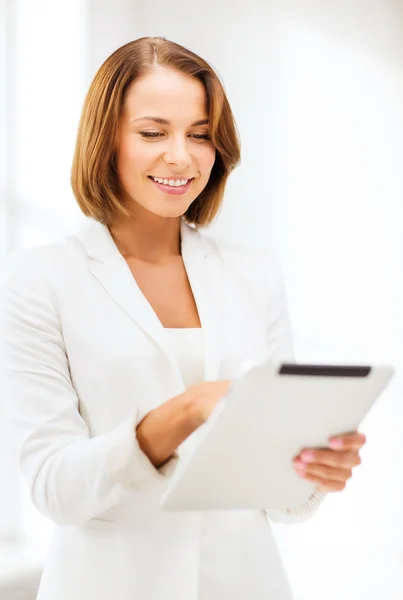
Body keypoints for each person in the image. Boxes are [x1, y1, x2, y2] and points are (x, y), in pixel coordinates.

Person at [0, 37, 366, 600]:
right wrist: (187, 411)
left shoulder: (254, 275)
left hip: (245, 583)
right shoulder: (38, 279)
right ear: (106, 141)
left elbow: (279, 499)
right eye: (153, 132)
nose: (182, 156)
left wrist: (311, 470)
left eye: (199, 135)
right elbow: (55, 488)